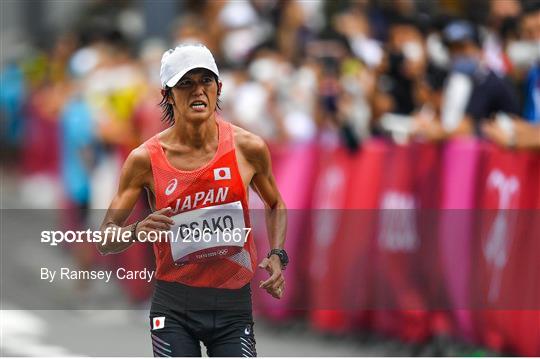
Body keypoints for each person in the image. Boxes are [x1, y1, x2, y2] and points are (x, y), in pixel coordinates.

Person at [97, 43, 288, 357]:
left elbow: (275, 204)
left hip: (232, 306)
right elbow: (105, 238)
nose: (198, 91)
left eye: (206, 81)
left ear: (218, 88)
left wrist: (278, 253)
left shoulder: (248, 148)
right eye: (186, 83)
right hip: (174, 307)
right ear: (168, 94)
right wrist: (136, 231)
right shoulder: (145, 158)